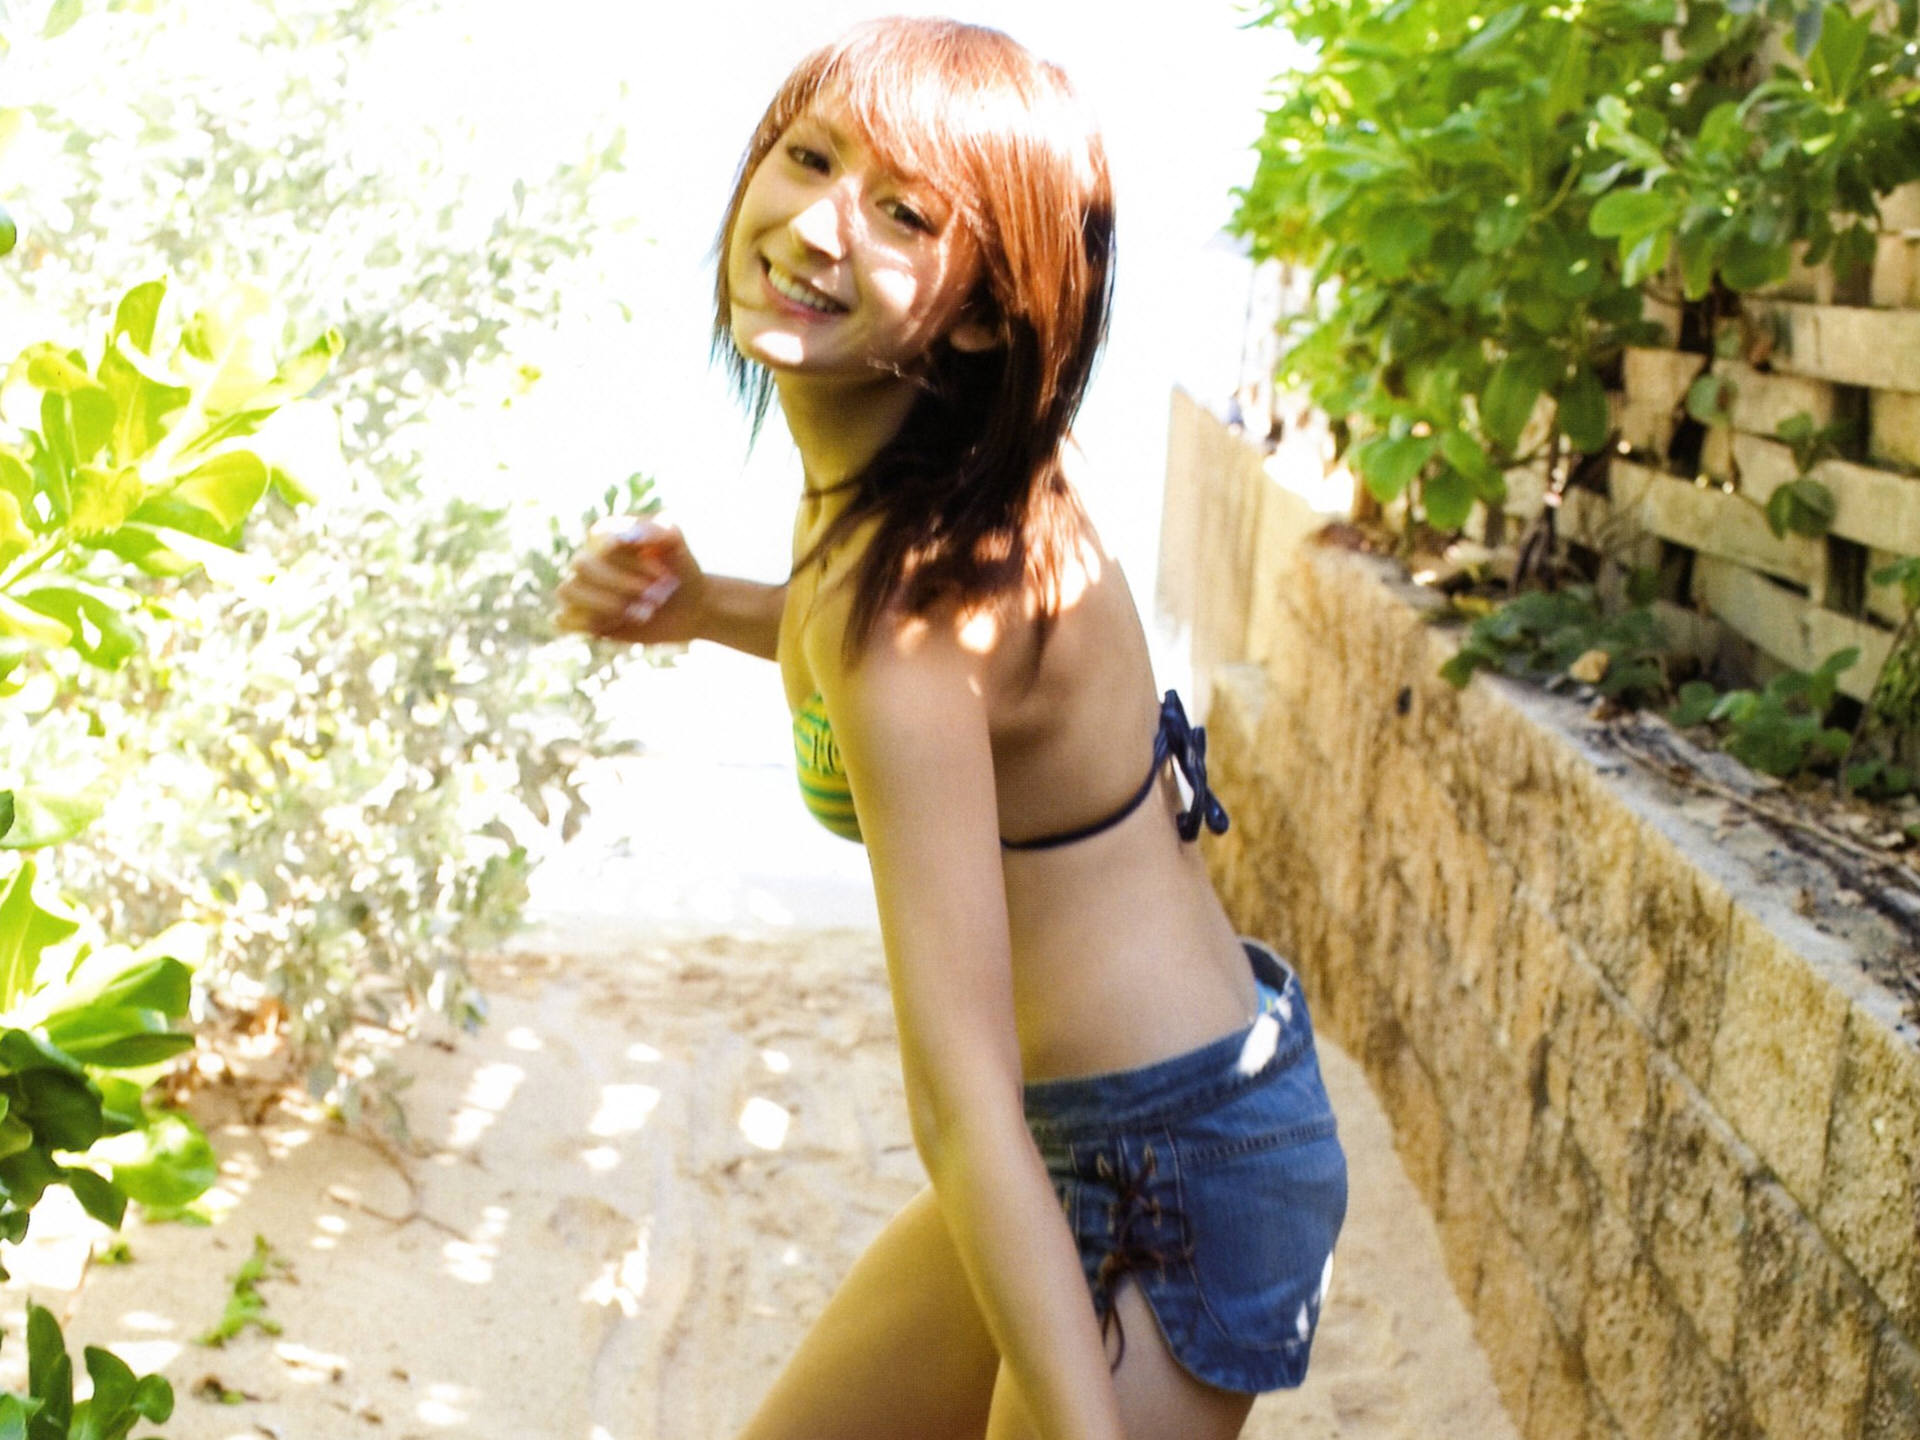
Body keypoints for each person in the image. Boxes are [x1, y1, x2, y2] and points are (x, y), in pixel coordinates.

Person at [555, 19, 1346, 1440]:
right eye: (810, 158)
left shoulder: (908, 618)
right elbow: (932, 684)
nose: (818, 226)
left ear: (983, 315)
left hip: (1159, 1170)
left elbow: (956, 1096)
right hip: (1107, 1120)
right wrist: (706, 607)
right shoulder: (951, 476)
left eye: (905, 215)